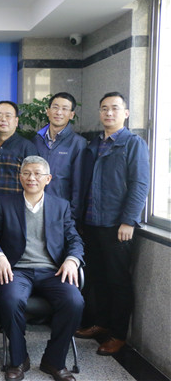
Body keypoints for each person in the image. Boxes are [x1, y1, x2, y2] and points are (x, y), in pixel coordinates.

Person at [0, 155, 84, 381]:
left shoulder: (61, 206)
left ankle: (54, 361)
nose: (31, 178)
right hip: (17, 269)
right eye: (26, 173)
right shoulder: (5, 203)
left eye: (37, 174)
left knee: (74, 301)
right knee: (11, 300)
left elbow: (74, 239)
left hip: (52, 271)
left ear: (48, 178)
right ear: (20, 178)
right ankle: (19, 360)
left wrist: (72, 260)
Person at [75, 92, 149, 356]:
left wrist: (129, 220)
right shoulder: (94, 144)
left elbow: (140, 184)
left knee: (118, 281)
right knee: (98, 278)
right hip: (91, 223)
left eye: (115, 108)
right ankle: (101, 323)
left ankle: (118, 335)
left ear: (125, 113)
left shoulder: (133, 144)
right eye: (104, 108)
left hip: (117, 226)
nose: (109, 113)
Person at [0, 100, 38, 225]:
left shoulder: (27, 146)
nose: (3, 119)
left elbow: (34, 181)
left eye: (8, 116)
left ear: (16, 121)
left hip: (14, 212)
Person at [33, 92, 87, 220]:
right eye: (55, 107)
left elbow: (78, 185)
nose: (59, 112)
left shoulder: (78, 143)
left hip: (62, 211)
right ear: (48, 111)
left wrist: (73, 217)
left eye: (64, 109)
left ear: (71, 115)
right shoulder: (36, 140)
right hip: (35, 208)